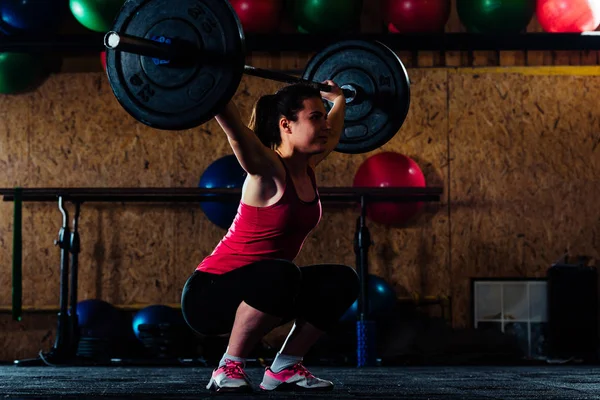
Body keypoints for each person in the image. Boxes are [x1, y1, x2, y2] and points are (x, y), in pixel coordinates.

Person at [181, 80, 360, 393]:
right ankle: (228, 366)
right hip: (209, 295)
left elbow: (334, 131)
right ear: (285, 125)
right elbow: (236, 132)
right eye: (315, 117)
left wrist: (340, 99)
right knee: (282, 273)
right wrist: (214, 85)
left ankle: (285, 366)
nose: (324, 125)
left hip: (268, 289)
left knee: (343, 280)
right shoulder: (268, 169)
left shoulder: (307, 166)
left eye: (323, 116)